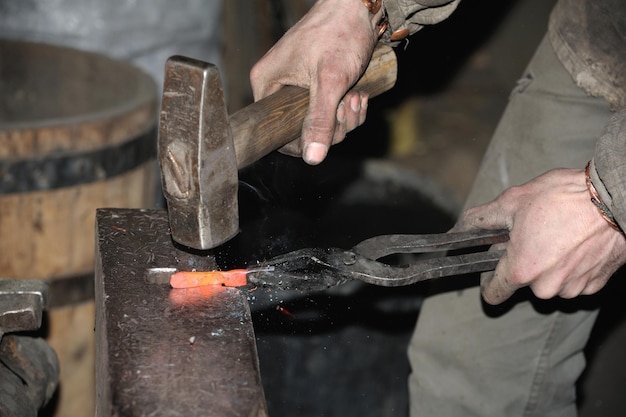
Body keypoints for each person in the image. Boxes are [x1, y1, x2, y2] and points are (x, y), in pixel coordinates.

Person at [250, 0, 626, 415]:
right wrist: (359, 9)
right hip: (602, 32)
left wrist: (606, 202)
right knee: (466, 367)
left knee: (499, 379)